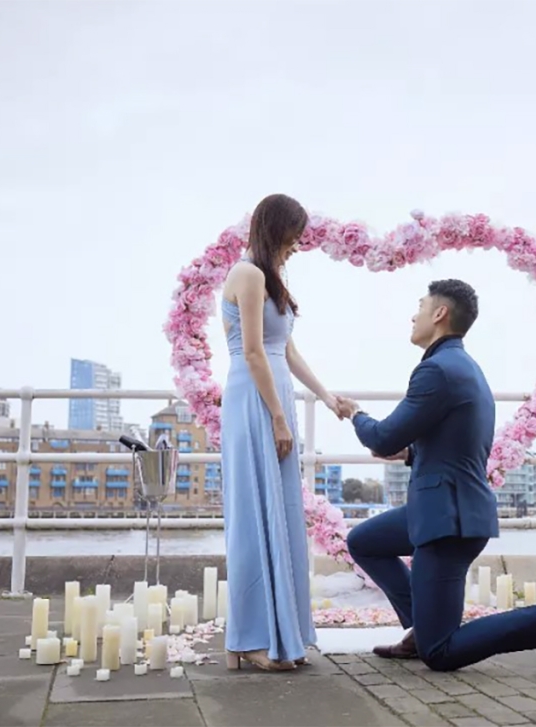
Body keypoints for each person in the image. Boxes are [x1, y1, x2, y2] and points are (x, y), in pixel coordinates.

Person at [335, 279, 536, 672]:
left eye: (419, 306)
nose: (413, 314)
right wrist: (412, 453)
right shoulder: (463, 367)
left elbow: (383, 437)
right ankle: (421, 628)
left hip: (447, 521)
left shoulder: (436, 371)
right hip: (444, 507)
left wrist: (355, 413)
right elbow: (456, 443)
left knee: (441, 654)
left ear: (439, 314)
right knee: (365, 541)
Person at [219, 193, 343, 672]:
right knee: (254, 513)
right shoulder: (247, 274)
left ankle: (276, 634)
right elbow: (252, 352)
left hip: (275, 395)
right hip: (254, 399)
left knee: (282, 512)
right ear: (274, 229)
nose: (296, 246)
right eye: (292, 237)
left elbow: (285, 350)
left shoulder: (269, 279)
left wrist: (328, 398)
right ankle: (248, 638)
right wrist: (275, 415)